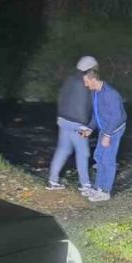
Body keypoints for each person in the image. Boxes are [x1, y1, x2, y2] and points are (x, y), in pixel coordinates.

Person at [46, 56, 97, 194]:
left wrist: (60, 115)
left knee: (63, 149)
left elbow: (61, 97)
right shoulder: (87, 82)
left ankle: (52, 180)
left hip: (63, 120)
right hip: (78, 123)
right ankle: (85, 184)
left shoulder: (69, 79)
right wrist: (86, 123)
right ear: (90, 68)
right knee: (83, 153)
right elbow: (88, 104)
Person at [81, 67, 126, 203]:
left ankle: (105, 191)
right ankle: (98, 187)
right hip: (105, 128)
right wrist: (90, 128)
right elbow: (96, 114)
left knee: (107, 158)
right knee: (99, 156)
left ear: (93, 79)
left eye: (86, 81)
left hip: (114, 129)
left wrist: (107, 135)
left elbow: (117, 117)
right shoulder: (95, 92)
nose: (85, 84)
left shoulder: (110, 94)